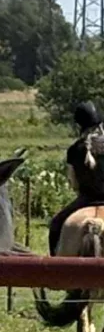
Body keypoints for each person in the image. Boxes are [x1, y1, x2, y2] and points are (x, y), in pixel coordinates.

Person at [49, 100, 104, 252]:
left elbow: (73, 182)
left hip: (84, 200)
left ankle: (54, 268)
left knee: (55, 225)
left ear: (79, 124)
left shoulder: (75, 149)